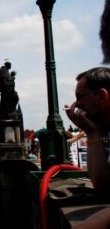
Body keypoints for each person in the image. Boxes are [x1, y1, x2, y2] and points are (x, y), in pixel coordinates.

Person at [64, 67, 110, 229]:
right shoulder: (102, 129)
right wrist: (92, 134)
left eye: (80, 97)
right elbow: (102, 185)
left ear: (101, 96)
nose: (76, 105)